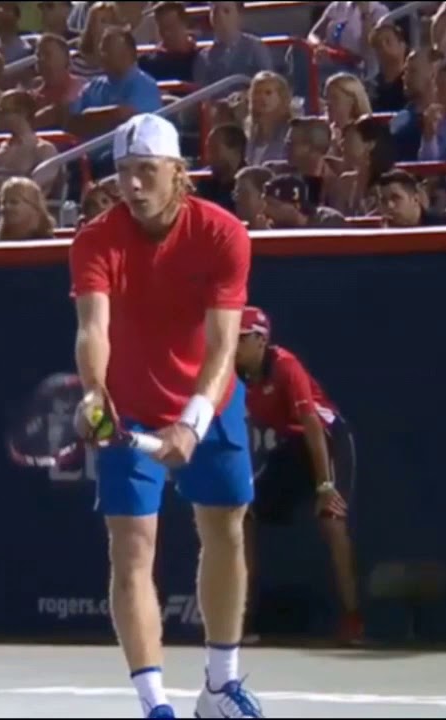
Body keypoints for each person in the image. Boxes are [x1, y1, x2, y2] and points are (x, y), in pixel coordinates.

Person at [68, 113, 262, 719]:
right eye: (124, 171)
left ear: (179, 172)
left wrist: (192, 422)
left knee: (225, 529)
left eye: (147, 171)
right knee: (131, 547)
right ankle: (154, 704)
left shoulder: (224, 234)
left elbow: (224, 346)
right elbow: (93, 329)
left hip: (209, 402)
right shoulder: (95, 240)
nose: (132, 184)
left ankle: (220, 686)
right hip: (129, 408)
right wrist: (94, 393)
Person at [235, 306, 362, 646]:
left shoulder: (285, 366)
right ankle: (242, 620)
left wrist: (325, 485)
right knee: (246, 514)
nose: (234, 345)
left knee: (332, 521)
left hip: (328, 441)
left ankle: (353, 619)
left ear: (261, 340)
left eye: (241, 339)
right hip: (292, 447)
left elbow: (312, 426)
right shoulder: (232, 373)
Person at [193, 1, 274, 89]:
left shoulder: (255, 47)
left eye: (226, 11)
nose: (220, 17)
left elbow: (268, 84)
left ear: (239, 16)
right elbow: (202, 93)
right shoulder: (203, 58)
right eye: (215, 11)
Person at [375, 169, 446, 227]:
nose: (389, 205)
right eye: (383, 200)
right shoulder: (377, 231)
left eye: (396, 198)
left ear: (415, 199)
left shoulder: (443, 224)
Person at [262, 174, 346, 228]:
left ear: (296, 206)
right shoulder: (267, 226)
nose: (265, 209)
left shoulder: (328, 221)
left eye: (272, 205)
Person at [197, 124, 248, 213]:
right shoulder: (207, 185)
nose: (209, 157)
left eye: (215, 150)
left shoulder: (247, 187)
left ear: (236, 151)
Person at [0, 176, 56, 241]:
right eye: (3, 202)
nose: (6, 207)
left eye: (14, 202)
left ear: (33, 206)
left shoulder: (46, 242)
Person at [366, 23, 409, 113]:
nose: (383, 46)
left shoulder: (411, 83)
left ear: (402, 45)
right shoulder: (370, 88)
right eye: (378, 45)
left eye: (388, 41)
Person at [232, 165, 273, 230]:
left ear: (264, 197)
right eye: (236, 194)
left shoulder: (285, 232)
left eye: (243, 194)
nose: (237, 200)